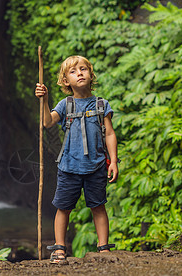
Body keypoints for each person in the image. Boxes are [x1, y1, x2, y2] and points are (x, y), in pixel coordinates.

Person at [35, 55, 119, 264]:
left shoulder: (101, 104)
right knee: (63, 207)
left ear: (91, 75)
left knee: (98, 206)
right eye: (73, 71)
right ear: (65, 81)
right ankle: (60, 248)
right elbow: (47, 123)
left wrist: (114, 161)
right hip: (69, 167)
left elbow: (109, 134)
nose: (79, 73)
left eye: (83, 69)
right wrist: (44, 100)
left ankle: (103, 248)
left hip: (97, 165)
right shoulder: (65, 105)